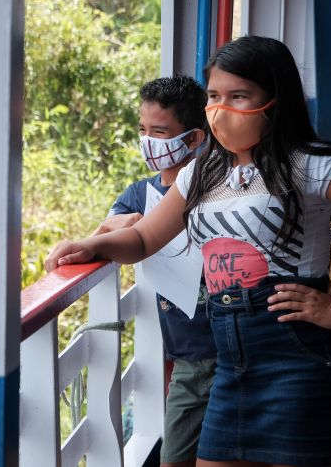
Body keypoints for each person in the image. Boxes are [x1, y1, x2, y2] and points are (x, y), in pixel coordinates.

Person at [45, 36, 331, 467]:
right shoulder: (202, 172)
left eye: (238, 96)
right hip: (231, 360)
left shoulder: (310, 164)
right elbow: (144, 239)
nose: (221, 109)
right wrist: (90, 245)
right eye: (213, 96)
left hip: (298, 355)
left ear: (274, 102)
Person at [94, 76, 214, 467]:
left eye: (159, 132)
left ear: (194, 139)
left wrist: (133, 226)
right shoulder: (136, 194)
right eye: (143, 130)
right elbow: (109, 231)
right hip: (181, 351)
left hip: (215, 347)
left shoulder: (215, 186)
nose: (148, 141)